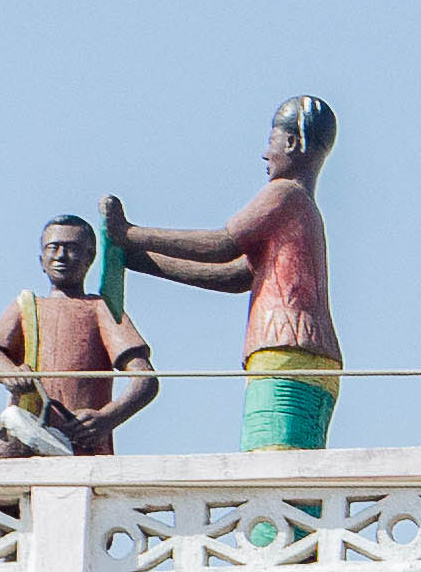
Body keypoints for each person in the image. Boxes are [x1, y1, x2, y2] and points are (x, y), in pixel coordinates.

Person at [106, 97, 343, 452]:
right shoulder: (304, 211)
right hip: (309, 356)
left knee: (274, 467)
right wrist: (143, 260)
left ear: (292, 143)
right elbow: (234, 276)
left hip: (285, 350)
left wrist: (130, 233)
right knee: (294, 464)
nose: (266, 153)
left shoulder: (284, 196)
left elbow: (222, 244)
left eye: (272, 140)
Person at [0, 215, 159, 459]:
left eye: (71, 248)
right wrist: (10, 372)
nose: (60, 256)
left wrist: (107, 418)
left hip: (81, 444)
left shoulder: (100, 308)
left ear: (89, 258)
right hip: (26, 432)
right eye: (53, 248)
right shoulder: (28, 306)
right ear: (41, 260)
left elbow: (145, 379)